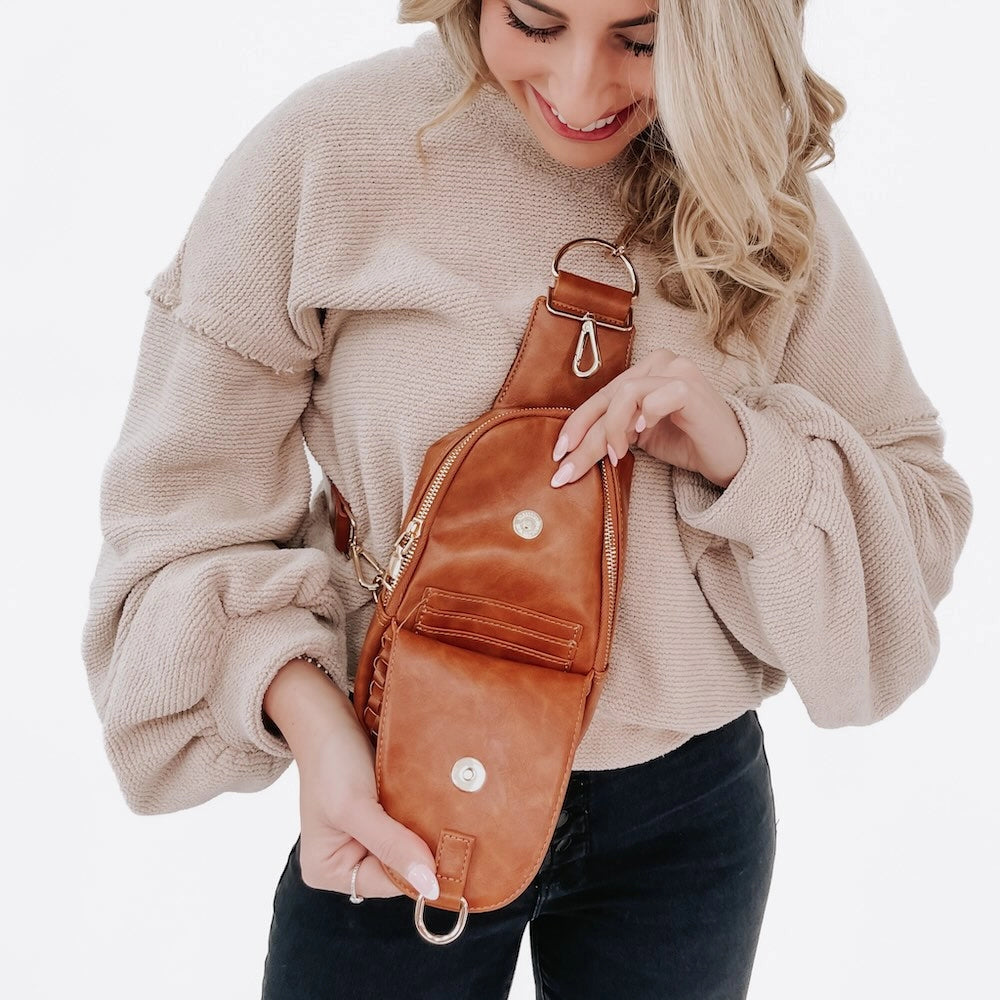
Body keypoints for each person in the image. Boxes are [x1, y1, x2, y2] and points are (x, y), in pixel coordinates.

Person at [81, 1, 974, 997]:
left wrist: (744, 454)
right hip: (391, 794)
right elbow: (177, 510)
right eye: (535, 21)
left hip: (686, 820)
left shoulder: (751, 186)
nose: (581, 89)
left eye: (641, 39)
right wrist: (313, 719)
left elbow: (917, 518)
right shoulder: (328, 152)